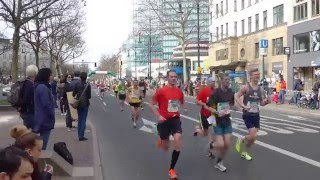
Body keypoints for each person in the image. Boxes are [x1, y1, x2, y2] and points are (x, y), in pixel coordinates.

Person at [149, 70, 187, 179]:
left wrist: (184, 107)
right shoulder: (161, 91)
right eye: (171, 77)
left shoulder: (179, 91)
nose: (174, 78)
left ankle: (172, 169)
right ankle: (161, 139)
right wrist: (158, 115)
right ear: (167, 78)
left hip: (175, 119)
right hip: (164, 120)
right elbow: (151, 104)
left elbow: (182, 100)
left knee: (178, 140)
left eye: (175, 77)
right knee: (165, 146)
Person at [235, 68, 270, 161]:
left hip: (256, 114)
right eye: (255, 74)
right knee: (253, 135)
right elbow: (237, 96)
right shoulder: (245, 87)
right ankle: (241, 139)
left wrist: (266, 102)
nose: (257, 76)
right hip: (247, 114)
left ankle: (244, 152)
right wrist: (243, 106)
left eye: (258, 74)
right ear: (251, 76)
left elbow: (261, 103)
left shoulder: (260, 89)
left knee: (253, 139)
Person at [205, 74, 234, 172]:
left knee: (227, 144)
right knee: (221, 144)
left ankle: (219, 163)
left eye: (229, 79)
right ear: (221, 81)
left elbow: (231, 104)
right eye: (226, 79)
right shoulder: (216, 93)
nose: (228, 81)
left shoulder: (230, 92)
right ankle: (210, 146)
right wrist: (217, 112)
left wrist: (231, 108)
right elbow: (208, 106)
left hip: (227, 120)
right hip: (217, 121)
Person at [194, 77, 216, 157]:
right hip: (204, 115)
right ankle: (197, 129)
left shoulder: (215, 91)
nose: (214, 83)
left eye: (215, 82)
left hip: (212, 115)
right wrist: (203, 104)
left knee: (213, 132)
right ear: (209, 83)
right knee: (205, 134)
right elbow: (196, 101)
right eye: (213, 82)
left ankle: (210, 150)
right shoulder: (204, 91)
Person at [34, 68, 55, 150]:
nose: (51, 77)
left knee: (40, 142)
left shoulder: (38, 86)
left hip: (39, 116)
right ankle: (41, 160)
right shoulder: (43, 88)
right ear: (46, 76)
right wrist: (52, 115)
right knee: (43, 144)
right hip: (45, 118)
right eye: (50, 75)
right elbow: (46, 104)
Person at [73, 72, 91, 141]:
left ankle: (79, 135)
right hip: (85, 104)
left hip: (78, 104)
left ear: (80, 77)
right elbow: (89, 96)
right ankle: (81, 136)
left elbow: (73, 94)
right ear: (86, 77)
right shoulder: (88, 85)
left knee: (80, 119)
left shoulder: (77, 84)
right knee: (83, 119)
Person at [20, 65, 38, 129]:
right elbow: (26, 99)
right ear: (35, 73)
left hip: (25, 111)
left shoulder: (25, 82)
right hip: (29, 111)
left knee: (28, 131)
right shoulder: (30, 84)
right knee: (30, 132)